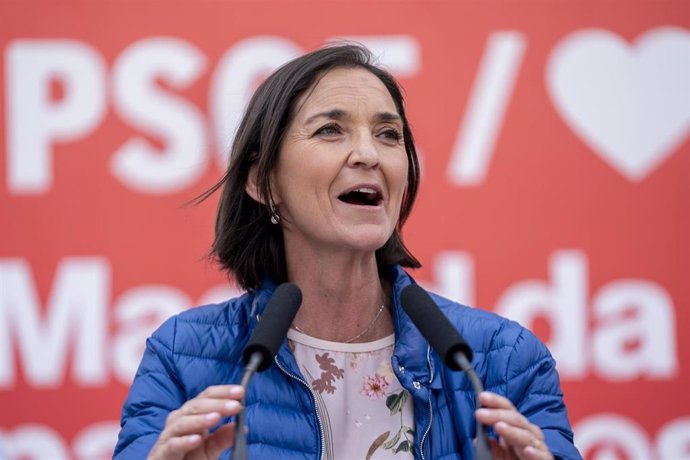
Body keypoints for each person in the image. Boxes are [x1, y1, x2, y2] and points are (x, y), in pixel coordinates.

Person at [114, 44, 581, 460]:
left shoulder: (502, 360)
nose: (368, 154)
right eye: (330, 131)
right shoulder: (183, 357)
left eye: (388, 135)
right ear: (264, 182)